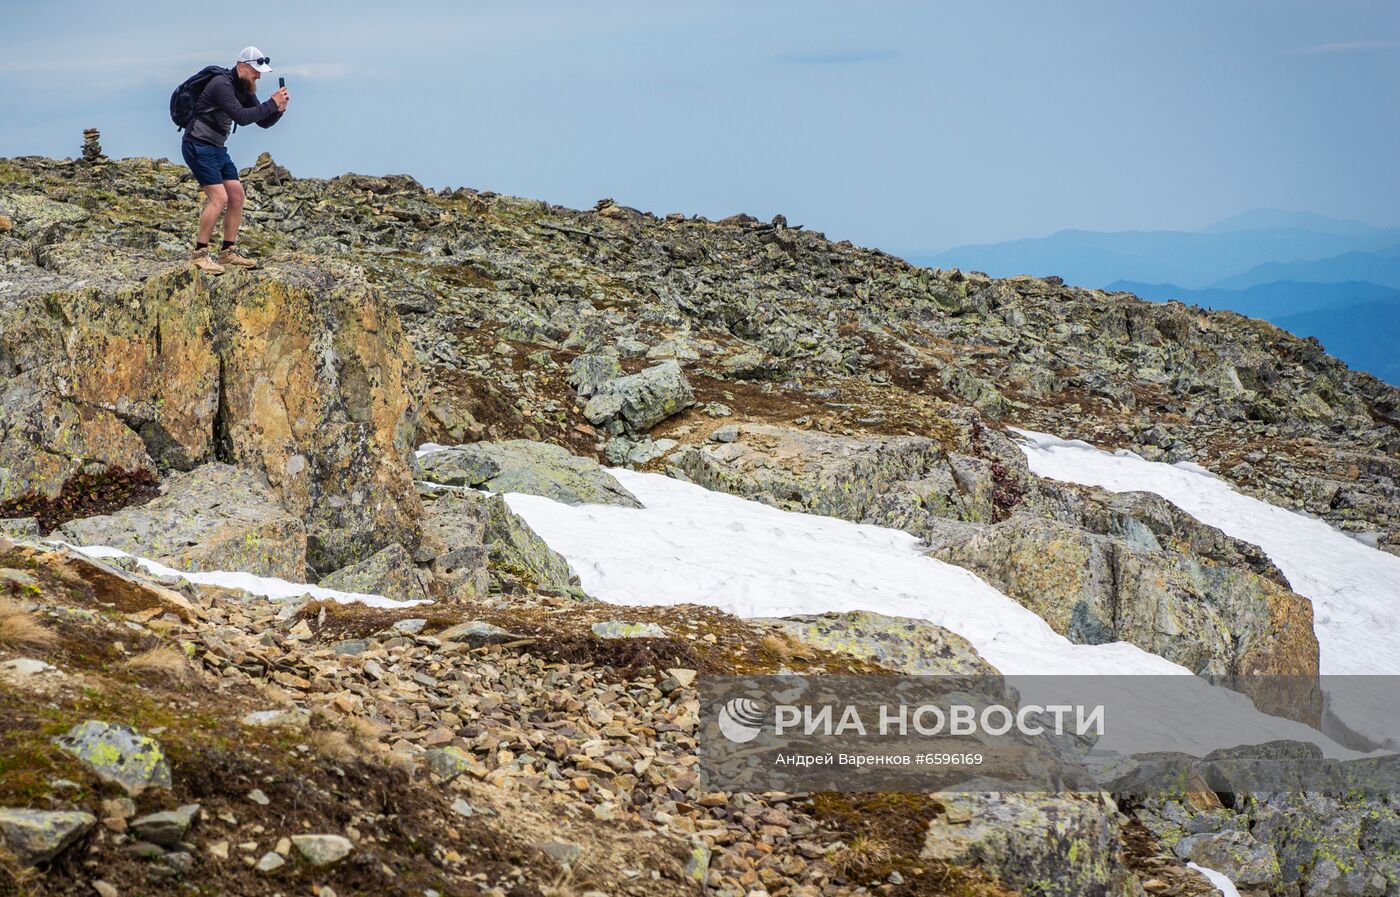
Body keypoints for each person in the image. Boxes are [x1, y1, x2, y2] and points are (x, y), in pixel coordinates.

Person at [181, 46, 289, 274]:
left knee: (237, 195)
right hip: (197, 146)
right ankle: (199, 254)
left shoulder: (244, 87)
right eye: (255, 71)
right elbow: (241, 116)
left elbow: (261, 121)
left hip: (217, 148)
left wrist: (278, 110)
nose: (258, 76)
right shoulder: (221, 85)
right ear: (242, 66)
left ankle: (227, 252)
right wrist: (272, 103)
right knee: (219, 198)